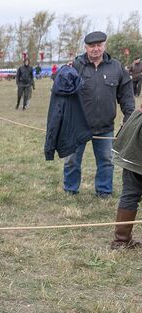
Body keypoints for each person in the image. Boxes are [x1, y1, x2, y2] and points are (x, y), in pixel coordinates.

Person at [65, 31, 136, 198]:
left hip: (105, 126)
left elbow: (126, 95)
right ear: (86, 47)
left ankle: (104, 191)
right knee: (72, 160)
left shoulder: (116, 67)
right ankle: (70, 189)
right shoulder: (75, 66)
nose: (96, 49)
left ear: (104, 45)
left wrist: (129, 117)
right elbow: (62, 91)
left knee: (106, 161)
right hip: (78, 125)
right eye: (92, 46)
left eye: (99, 45)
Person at [110, 106, 142, 249]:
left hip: (136, 132)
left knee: (130, 193)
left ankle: (121, 241)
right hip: (137, 137)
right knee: (130, 193)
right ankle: (121, 240)